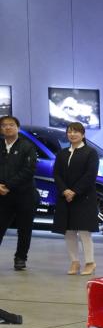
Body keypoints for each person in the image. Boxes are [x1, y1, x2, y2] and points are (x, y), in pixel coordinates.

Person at [51, 122, 100, 275]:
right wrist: (65, 190)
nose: (72, 134)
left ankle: (90, 262)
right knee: (69, 231)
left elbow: (90, 175)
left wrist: (75, 191)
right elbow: (56, 174)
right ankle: (74, 262)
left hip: (83, 197)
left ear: (83, 134)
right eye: (69, 132)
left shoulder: (90, 152)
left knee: (84, 231)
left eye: (76, 132)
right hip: (65, 197)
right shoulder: (62, 153)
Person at [0, 115, 40, 271]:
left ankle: (20, 258)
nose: (7, 127)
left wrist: (8, 185)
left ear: (18, 128)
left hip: (25, 195)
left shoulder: (27, 146)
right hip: (3, 196)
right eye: (4, 125)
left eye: (11, 124)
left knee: (24, 229)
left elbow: (28, 170)